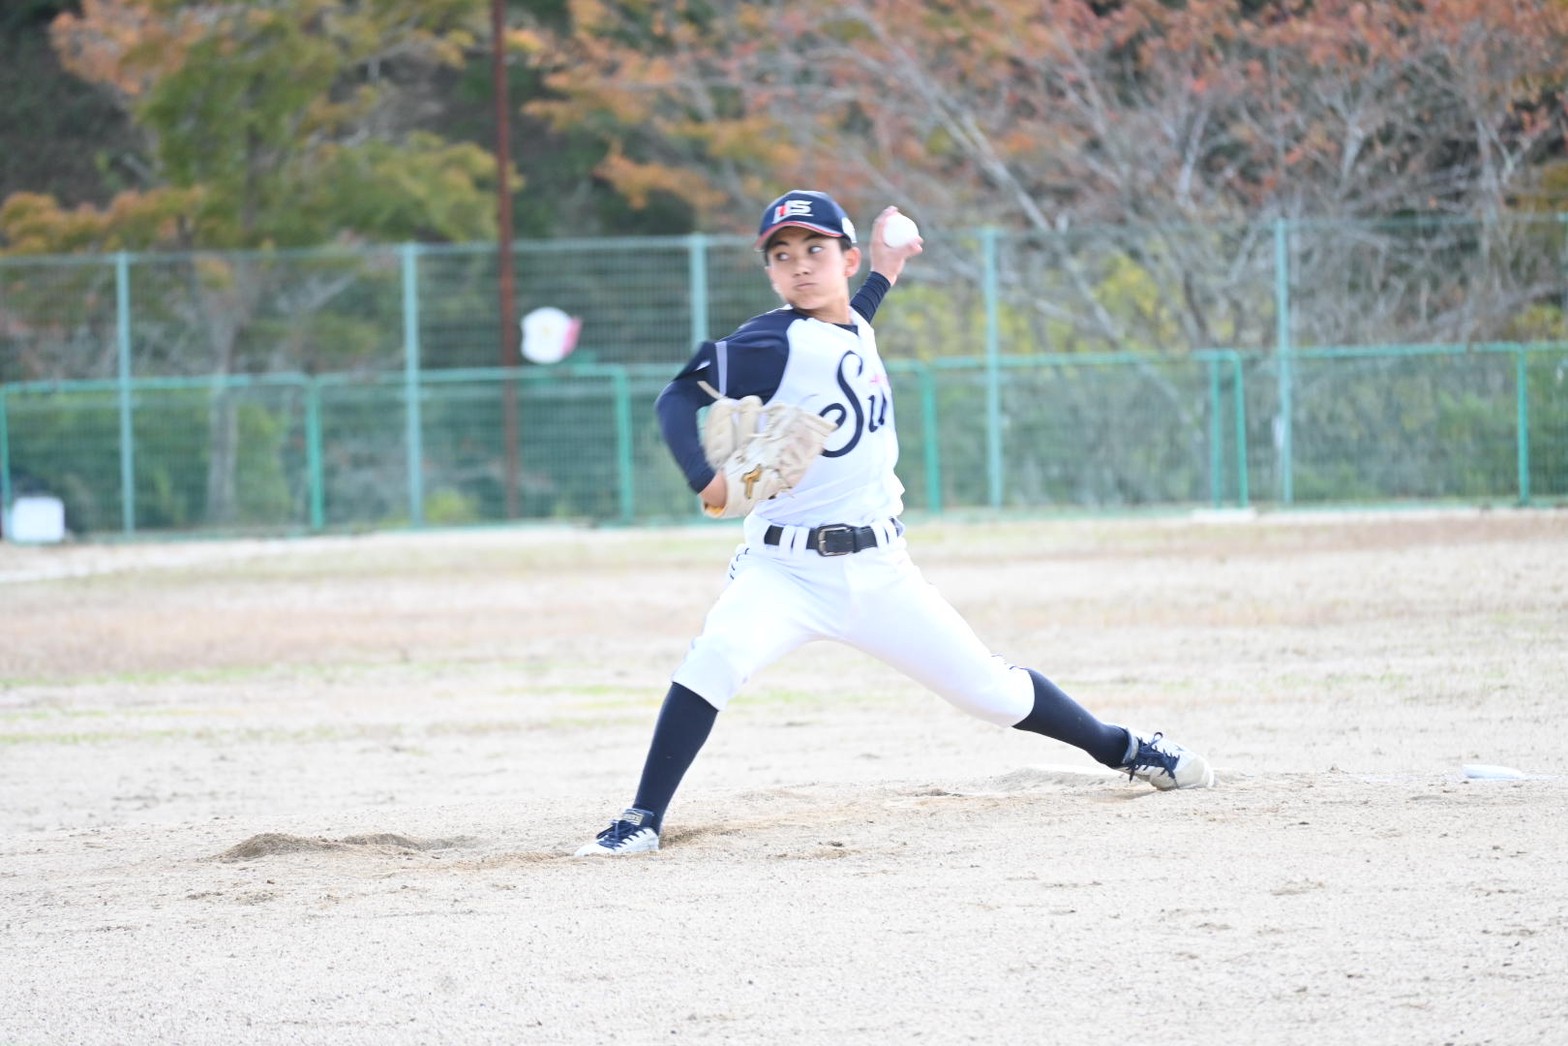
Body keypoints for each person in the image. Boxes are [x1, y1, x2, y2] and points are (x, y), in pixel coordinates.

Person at [575, 190, 1214, 856]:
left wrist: (887, 270)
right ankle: (642, 819)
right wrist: (703, 478)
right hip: (783, 570)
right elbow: (678, 392)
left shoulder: (852, 322)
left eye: (815, 250)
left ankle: (1129, 749)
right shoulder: (774, 340)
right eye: (782, 255)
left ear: (845, 260)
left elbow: (856, 321)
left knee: (992, 693)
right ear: (769, 271)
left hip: (880, 572)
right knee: (714, 661)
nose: (799, 266)